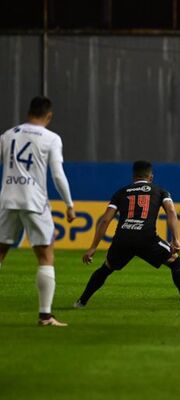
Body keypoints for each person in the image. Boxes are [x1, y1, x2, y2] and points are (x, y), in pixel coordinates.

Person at [74, 160, 180, 310]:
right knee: (175, 262)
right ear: (150, 177)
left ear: (133, 176)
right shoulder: (160, 191)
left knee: (106, 268)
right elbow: (171, 211)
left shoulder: (121, 192)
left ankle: (81, 302)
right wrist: (176, 239)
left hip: (122, 239)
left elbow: (105, 219)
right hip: (147, 239)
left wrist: (93, 247)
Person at [0, 96, 76, 327]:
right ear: (49, 116)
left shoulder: (8, 134)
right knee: (45, 256)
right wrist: (69, 204)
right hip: (34, 201)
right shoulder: (51, 138)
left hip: (7, 200)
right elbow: (57, 175)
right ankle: (45, 316)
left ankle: (46, 316)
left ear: (28, 112)